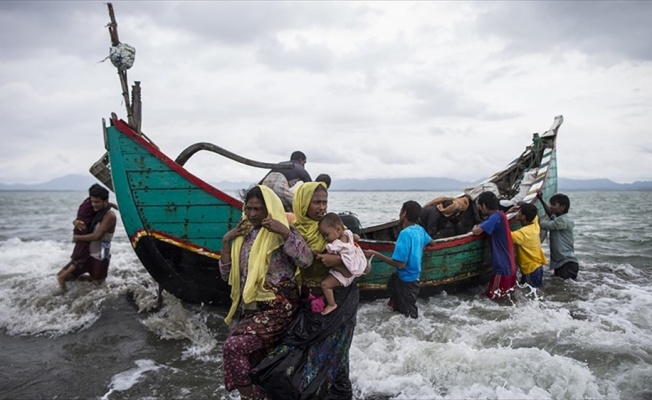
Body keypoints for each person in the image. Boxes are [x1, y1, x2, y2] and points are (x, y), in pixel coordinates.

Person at [250, 181, 358, 400]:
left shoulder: (336, 229)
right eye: (316, 202)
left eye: (324, 202)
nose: (321, 207)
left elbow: (361, 265)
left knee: (337, 350)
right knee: (300, 346)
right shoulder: (294, 231)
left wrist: (336, 260)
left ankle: (339, 393)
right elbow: (303, 261)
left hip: (341, 298)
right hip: (311, 298)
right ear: (303, 203)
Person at [219, 185, 314, 400]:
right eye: (249, 208)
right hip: (252, 308)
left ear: (269, 209)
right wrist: (227, 241)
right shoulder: (243, 235)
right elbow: (227, 275)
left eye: (258, 209)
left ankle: (252, 397)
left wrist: (284, 231)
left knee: (233, 347)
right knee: (256, 362)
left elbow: (306, 260)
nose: (252, 214)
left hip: (278, 309)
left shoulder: (282, 233)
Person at [364, 200, 434, 319]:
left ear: (404, 213)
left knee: (410, 317)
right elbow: (433, 242)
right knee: (397, 307)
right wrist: (418, 247)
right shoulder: (419, 230)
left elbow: (400, 264)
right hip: (413, 279)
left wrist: (375, 253)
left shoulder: (404, 234)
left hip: (406, 282)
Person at [56, 184, 117, 291]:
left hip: (102, 253)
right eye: (92, 202)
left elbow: (97, 236)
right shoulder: (93, 211)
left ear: (105, 201)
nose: (94, 205)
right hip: (86, 252)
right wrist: (75, 222)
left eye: (97, 202)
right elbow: (83, 221)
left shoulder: (110, 216)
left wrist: (77, 238)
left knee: (99, 286)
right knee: (63, 276)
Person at [318, 212, 369, 315]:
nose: (325, 239)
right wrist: (355, 237)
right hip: (353, 268)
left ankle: (332, 304)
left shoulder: (336, 244)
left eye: (326, 235)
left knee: (325, 285)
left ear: (337, 230)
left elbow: (327, 250)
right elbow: (355, 237)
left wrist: (318, 254)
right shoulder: (348, 233)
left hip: (343, 275)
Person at [472, 191, 517, 299]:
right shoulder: (501, 214)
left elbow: (477, 231)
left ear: (484, 206)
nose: (480, 209)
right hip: (511, 267)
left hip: (501, 268)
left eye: (480, 206)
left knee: (493, 299)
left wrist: (474, 227)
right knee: (505, 298)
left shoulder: (494, 217)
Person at [537, 192, 579, 280]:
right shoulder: (559, 218)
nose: (551, 206)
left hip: (566, 263)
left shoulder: (563, 221)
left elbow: (546, 225)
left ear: (562, 207)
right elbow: (549, 213)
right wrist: (541, 199)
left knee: (564, 288)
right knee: (559, 287)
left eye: (553, 205)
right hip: (561, 263)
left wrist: (530, 215)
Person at [510, 203, 547, 288]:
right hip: (537, 268)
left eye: (519, 212)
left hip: (530, 271)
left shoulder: (523, 233)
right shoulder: (535, 225)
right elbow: (536, 213)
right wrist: (524, 206)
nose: (517, 213)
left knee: (528, 296)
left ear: (523, 217)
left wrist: (507, 212)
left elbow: (505, 234)